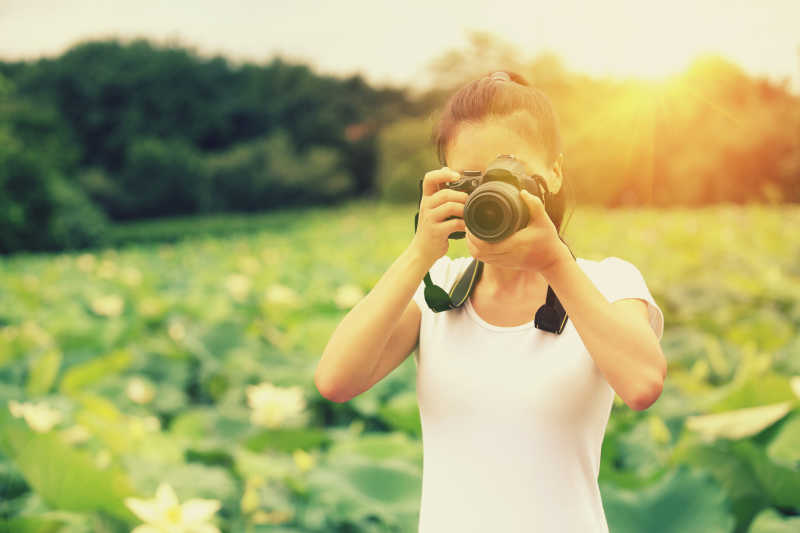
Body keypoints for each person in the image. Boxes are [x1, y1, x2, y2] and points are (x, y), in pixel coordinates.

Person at [315, 70, 666, 533]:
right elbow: (335, 381)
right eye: (471, 180)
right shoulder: (439, 293)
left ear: (554, 173)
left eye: (506, 174)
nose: (490, 195)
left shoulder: (606, 282)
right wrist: (420, 252)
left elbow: (642, 385)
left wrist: (555, 263)